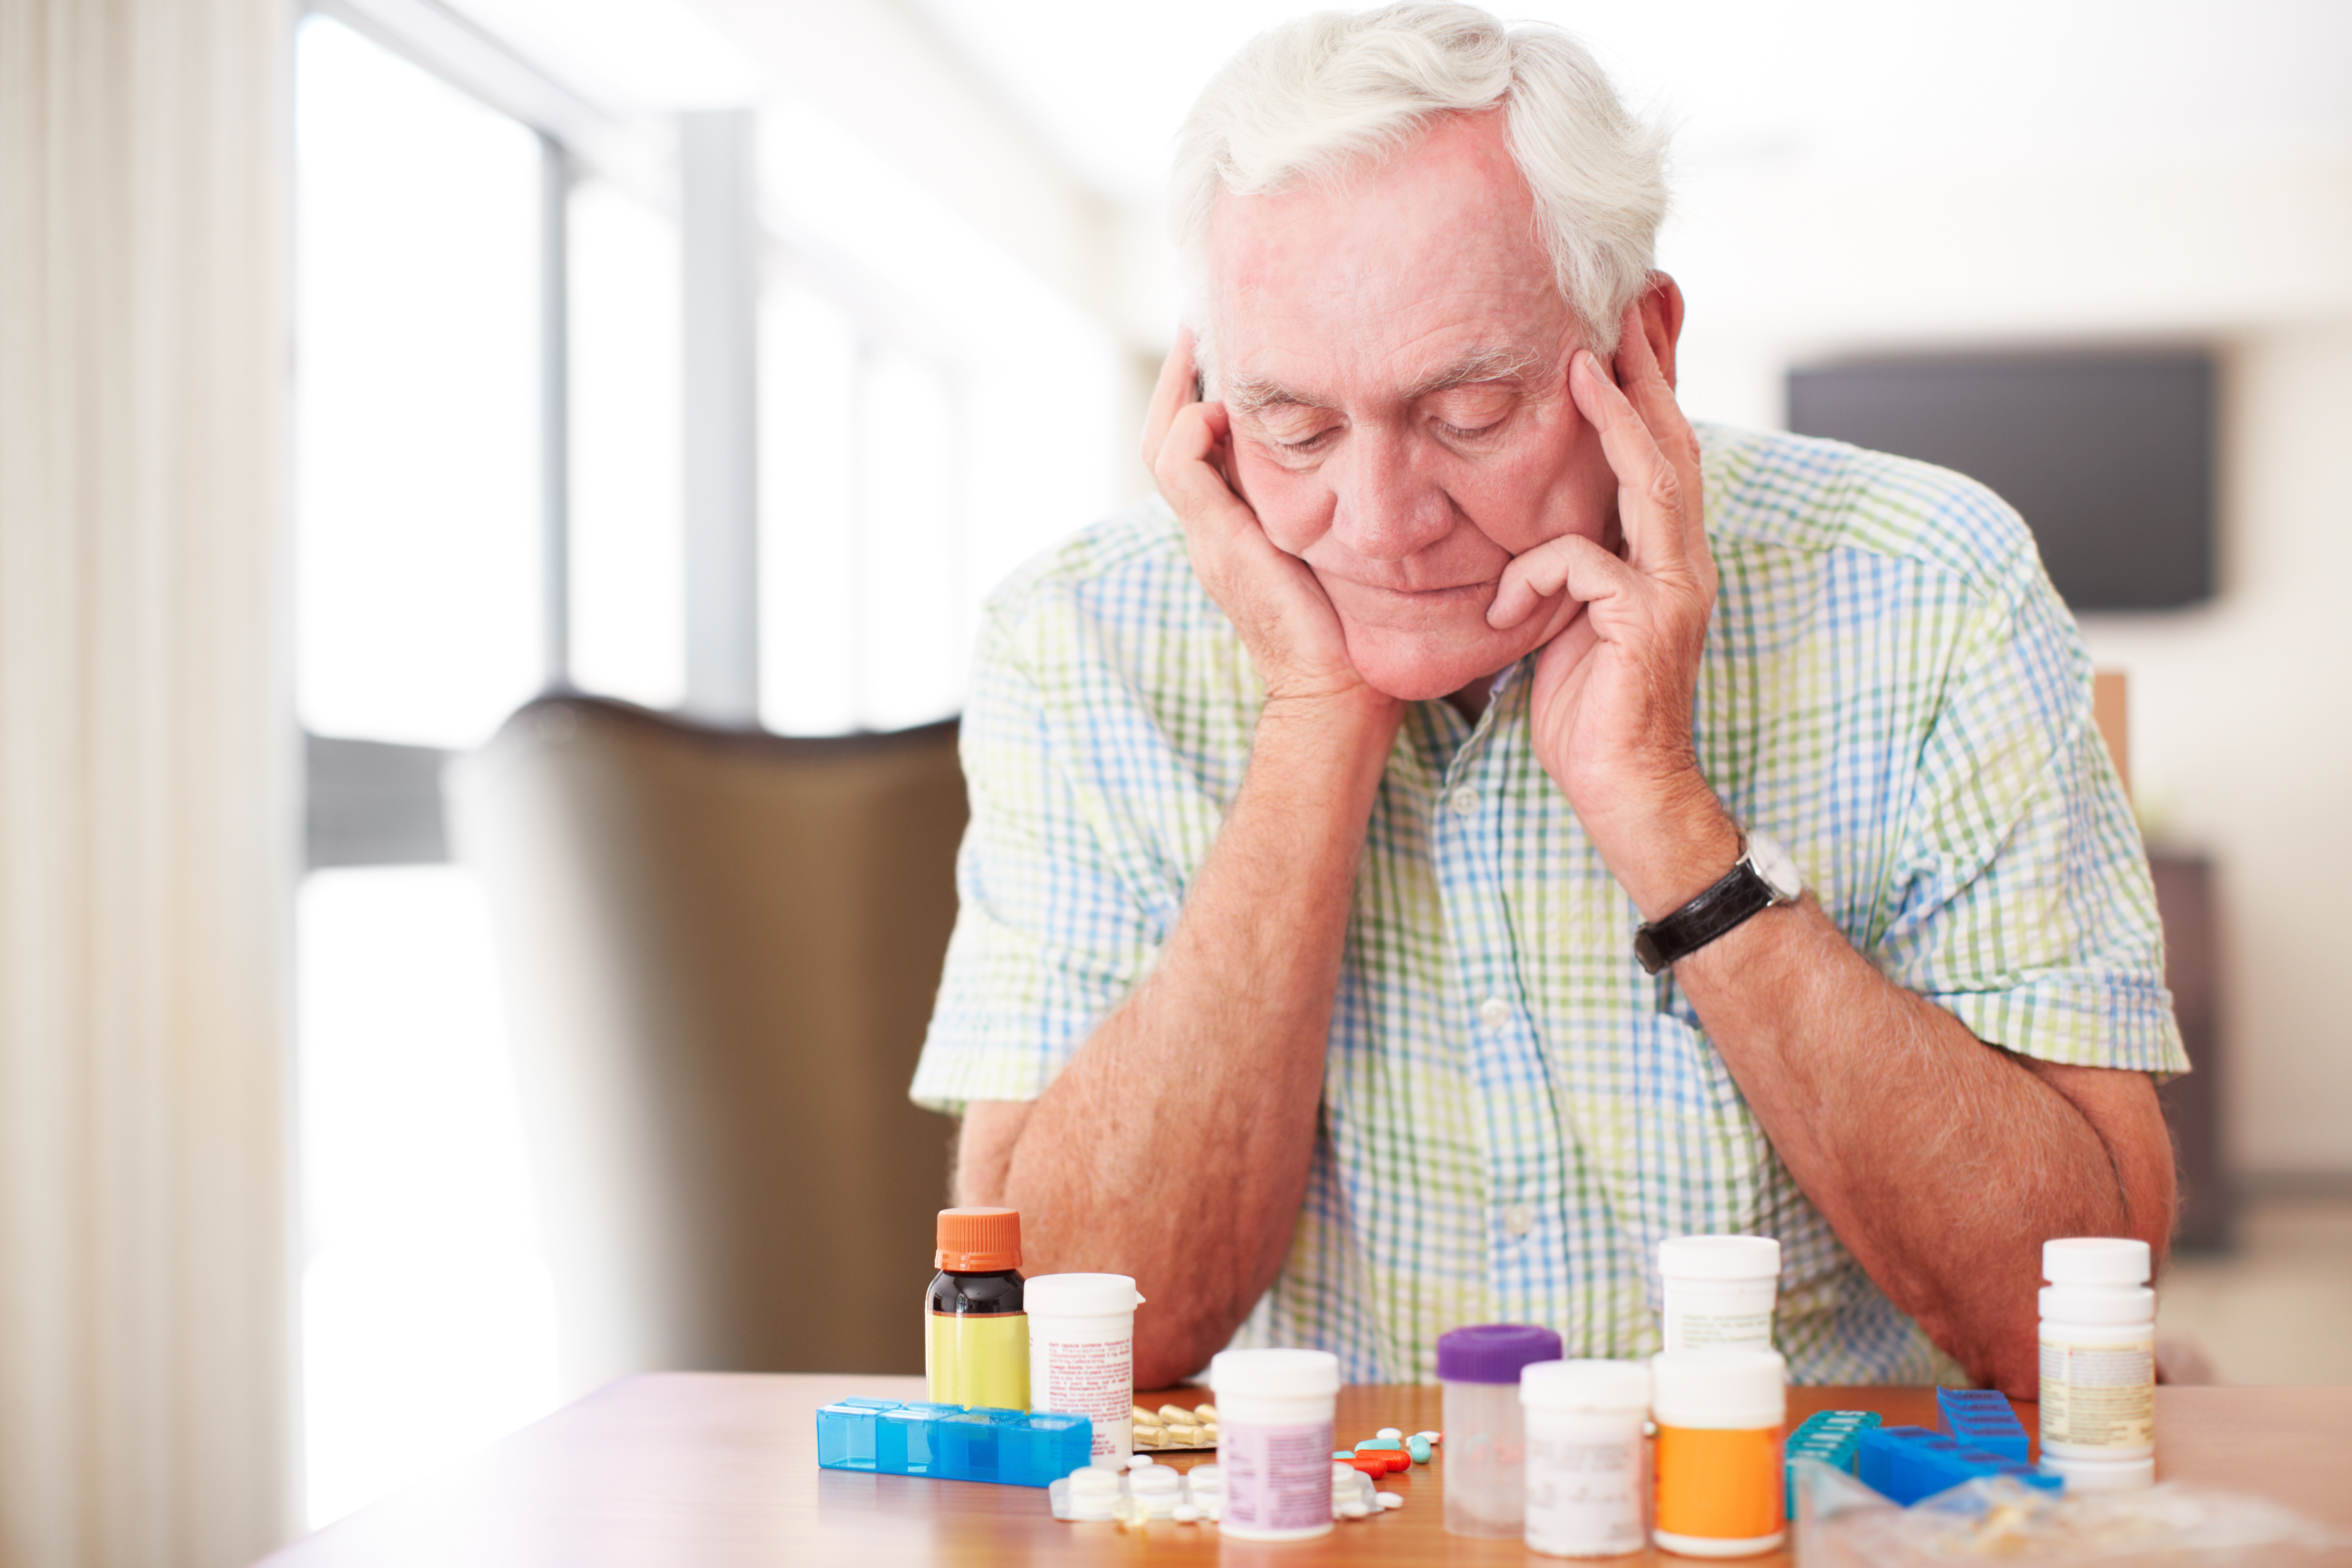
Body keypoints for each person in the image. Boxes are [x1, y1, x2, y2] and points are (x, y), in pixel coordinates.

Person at [910, 2, 2182, 1395]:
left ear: (1641, 344)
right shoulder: (1073, 632)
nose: (1382, 522)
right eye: (1295, 423)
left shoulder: (1931, 584)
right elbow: (1057, 1347)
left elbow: (2066, 1318)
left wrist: (1657, 805)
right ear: (1204, 399)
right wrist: (1316, 718)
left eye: (1468, 411)